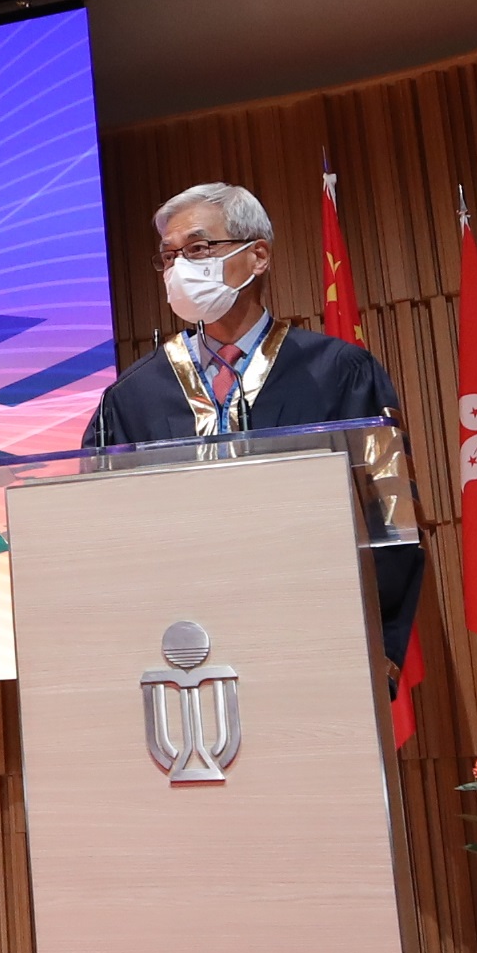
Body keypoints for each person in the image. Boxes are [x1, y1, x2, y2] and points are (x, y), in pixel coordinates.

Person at [81, 180, 427, 664]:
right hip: (177, 655)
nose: (181, 268)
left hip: (314, 646)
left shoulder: (339, 373)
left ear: (258, 255)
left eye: (198, 248)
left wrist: (366, 652)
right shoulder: (131, 397)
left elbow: (390, 525)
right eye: (169, 256)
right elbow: (100, 541)